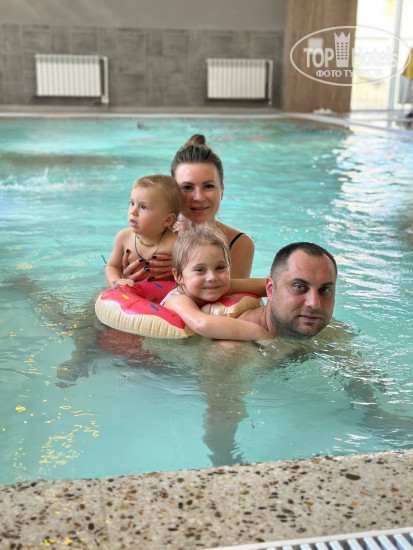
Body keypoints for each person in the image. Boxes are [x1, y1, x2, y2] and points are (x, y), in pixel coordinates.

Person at [122, 134, 255, 281]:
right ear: (172, 194)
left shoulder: (238, 243)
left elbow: (230, 294)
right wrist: (127, 279)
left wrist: (184, 268)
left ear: (222, 191)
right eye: (187, 187)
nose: (199, 197)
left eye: (208, 186)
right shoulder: (151, 234)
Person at [161, 223, 272, 342]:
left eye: (220, 268)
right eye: (200, 270)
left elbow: (268, 287)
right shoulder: (177, 300)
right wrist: (258, 332)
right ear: (178, 276)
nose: (212, 277)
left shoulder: (217, 286)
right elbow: (200, 324)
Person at [237, 241, 337, 340]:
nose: (314, 304)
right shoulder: (238, 346)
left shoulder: (332, 333)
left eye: (325, 290)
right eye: (299, 287)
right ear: (271, 290)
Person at [105, 174, 182, 288]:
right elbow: (112, 267)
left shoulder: (176, 243)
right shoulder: (124, 237)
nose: (133, 211)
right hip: (132, 293)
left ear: (167, 220)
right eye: (132, 203)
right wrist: (116, 282)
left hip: (165, 294)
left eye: (143, 207)